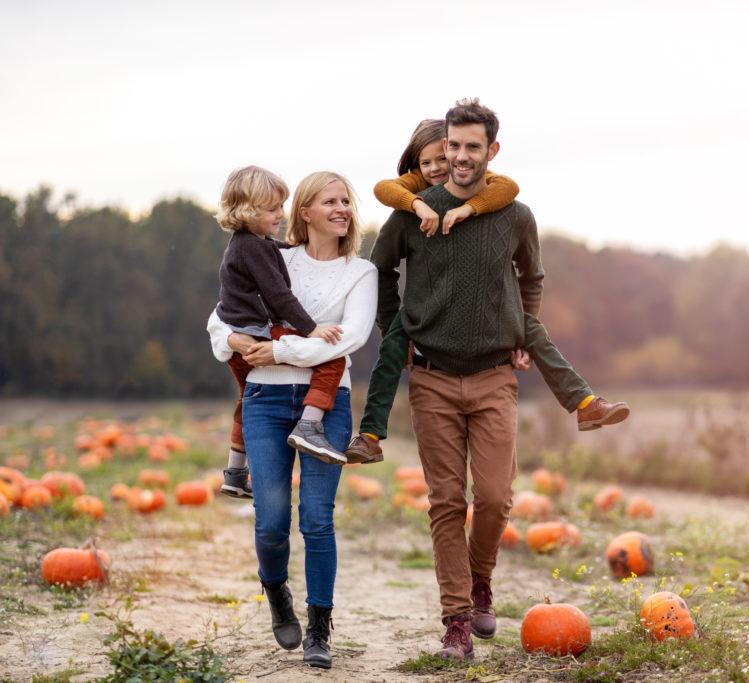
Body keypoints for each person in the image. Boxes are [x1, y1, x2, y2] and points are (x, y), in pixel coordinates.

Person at [372, 98, 594, 661]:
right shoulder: (414, 211)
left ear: (491, 151)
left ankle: (480, 579)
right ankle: (456, 624)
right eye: (454, 145)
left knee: (494, 499)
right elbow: (379, 271)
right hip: (432, 379)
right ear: (443, 147)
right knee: (447, 502)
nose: (462, 156)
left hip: (495, 377)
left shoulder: (514, 215)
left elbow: (531, 277)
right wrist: (393, 330)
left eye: (474, 146)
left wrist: (524, 330)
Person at [345, 119, 629, 465]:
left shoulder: (494, 193)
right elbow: (383, 193)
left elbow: (509, 188)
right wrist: (391, 323)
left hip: (496, 328)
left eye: (443, 158)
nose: (436, 168)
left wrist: (468, 208)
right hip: (423, 320)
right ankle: (371, 435)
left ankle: (585, 404)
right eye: (426, 162)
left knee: (534, 332)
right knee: (390, 349)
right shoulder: (414, 191)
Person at [207, 171, 377, 669]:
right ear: (305, 211)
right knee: (273, 521)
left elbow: (349, 338)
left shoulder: (359, 273)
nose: (343, 209)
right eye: (331, 201)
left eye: (347, 201)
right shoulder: (271, 252)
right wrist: (233, 342)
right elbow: (221, 315)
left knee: (318, 521)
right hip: (265, 398)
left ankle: (320, 627)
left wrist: (277, 348)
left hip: (329, 403)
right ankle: (276, 589)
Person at [213, 166, 349, 500]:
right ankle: (309, 425)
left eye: (282, 206)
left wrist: (293, 250)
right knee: (333, 360)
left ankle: (234, 473)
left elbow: (275, 250)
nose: (281, 214)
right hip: (254, 334)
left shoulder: (250, 244)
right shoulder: (253, 248)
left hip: (239, 333)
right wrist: (311, 329)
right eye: (273, 208)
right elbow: (278, 296)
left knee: (247, 400)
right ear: (249, 210)